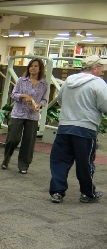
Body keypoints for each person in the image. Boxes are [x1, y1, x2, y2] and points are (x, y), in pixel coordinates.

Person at [49, 55, 107, 204]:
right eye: (101, 67)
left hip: (64, 126)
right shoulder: (98, 83)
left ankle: (57, 192)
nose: (103, 70)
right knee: (85, 162)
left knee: (60, 161)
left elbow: (60, 99)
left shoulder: (69, 80)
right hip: (85, 128)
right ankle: (87, 193)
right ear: (94, 68)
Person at [1, 58, 48, 174]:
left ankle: (23, 165)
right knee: (13, 139)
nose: (33, 68)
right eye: (31, 66)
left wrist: (39, 105)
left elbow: (45, 99)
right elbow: (13, 94)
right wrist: (22, 96)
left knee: (28, 142)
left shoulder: (44, 83)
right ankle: (6, 159)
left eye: (36, 66)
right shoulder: (22, 81)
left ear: (40, 68)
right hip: (18, 114)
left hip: (32, 116)